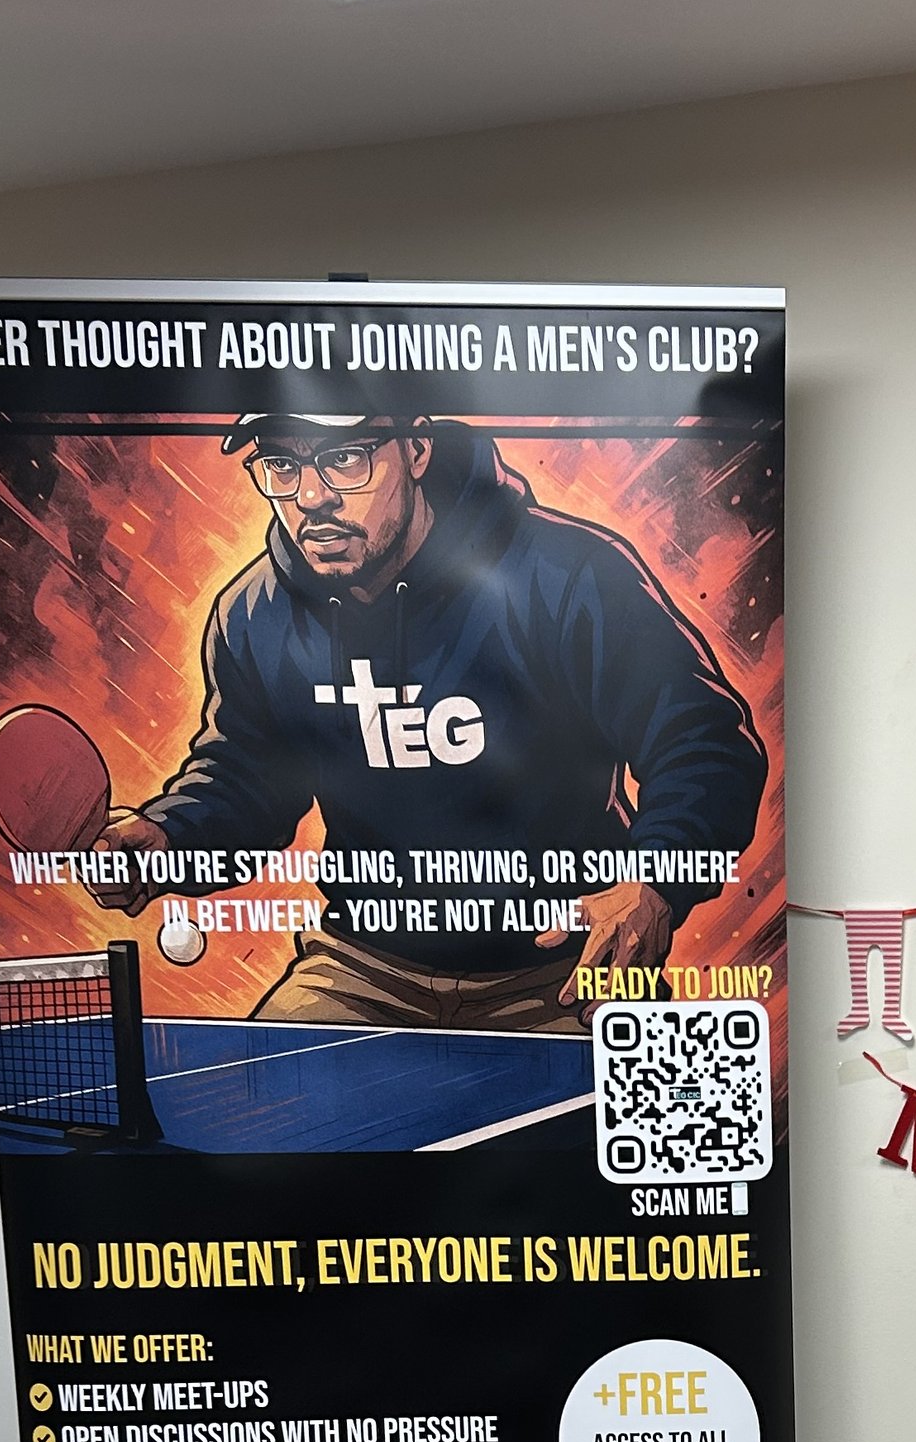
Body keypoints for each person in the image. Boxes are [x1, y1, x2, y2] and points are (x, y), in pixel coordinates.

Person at [99, 409, 768, 1029]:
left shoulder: (570, 575)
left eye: (346, 459)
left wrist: (654, 880)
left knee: (636, 1149)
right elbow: (245, 778)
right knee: (245, 1134)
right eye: (283, 465)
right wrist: (168, 834)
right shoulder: (253, 615)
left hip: (572, 970)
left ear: (415, 448)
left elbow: (703, 741)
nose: (312, 496)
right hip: (360, 970)